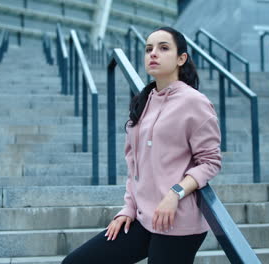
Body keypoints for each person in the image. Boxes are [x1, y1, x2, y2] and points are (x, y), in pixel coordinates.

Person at [61, 26, 221, 264]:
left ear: (181, 58)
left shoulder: (194, 103)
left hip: (178, 221)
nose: (153, 54)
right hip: (143, 218)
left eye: (163, 48)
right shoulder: (144, 101)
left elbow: (210, 162)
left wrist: (175, 193)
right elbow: (134, 167)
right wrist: (127, 209)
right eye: (148, 49)